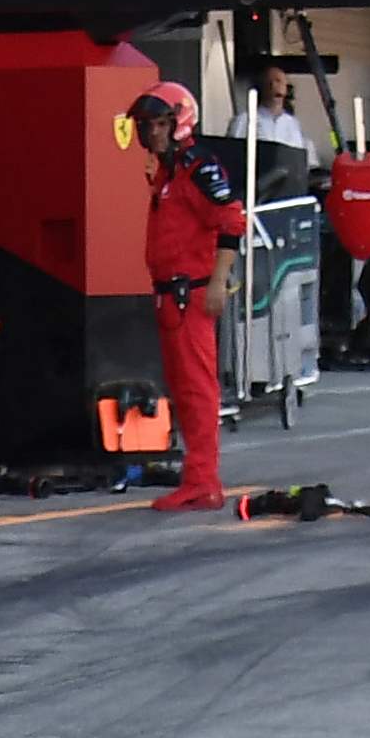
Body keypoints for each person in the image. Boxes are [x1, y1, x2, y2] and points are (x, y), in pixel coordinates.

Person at [131, 81, 248, 511]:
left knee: (198, 390)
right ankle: (198, 478)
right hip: (172, 295)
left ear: (178, 123)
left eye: (160, 124)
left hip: (191, 294)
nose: (153, 133)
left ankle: (203, 481)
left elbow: (231, 220)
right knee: (184, 390)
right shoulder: (169, 171)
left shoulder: (197, 168)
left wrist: (218, 281)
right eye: (148, 125)